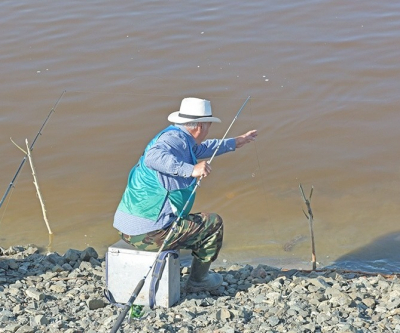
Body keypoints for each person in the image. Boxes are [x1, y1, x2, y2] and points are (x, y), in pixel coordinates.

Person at [113, 97, 257, 292]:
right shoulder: (172, 141)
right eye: (208, 125)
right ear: (199, 126)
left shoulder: (179, 138)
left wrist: (236, 142)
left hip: (126, 227)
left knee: (189, 220)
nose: (208, 130)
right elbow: (153, 157)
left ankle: (185, 261)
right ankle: (199, 280)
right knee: (213, 224)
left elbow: (203, 149)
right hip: (148, 234)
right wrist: (190, 170)